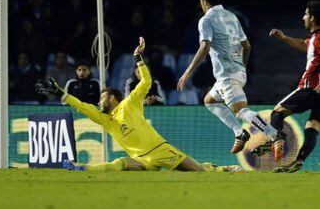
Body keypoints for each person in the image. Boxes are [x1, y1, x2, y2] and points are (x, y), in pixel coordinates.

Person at [36, 37, 242, 172]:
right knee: (119, 164)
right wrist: (60, 93)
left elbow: (146, 82)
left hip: (159, 149)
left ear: (112, 98)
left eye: (102, 97)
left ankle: (223, 169)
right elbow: (81, 105)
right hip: (141, 159)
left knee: (198, 171)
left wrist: (138, 58)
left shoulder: (130, 104)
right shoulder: (105, 119)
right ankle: (82, 168)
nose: (99, 101)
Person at [177, 0, 281, 158]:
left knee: (241, 111)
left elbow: (204, 47)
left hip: (227, 75)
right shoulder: (232, 16)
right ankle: (240, 133)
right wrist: (242, 67)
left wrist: (186, 73)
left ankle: (274, 135)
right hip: (237, 72)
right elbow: (246, 46)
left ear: (203, 1)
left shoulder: (206, 19)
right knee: (210, 100)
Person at [253, 1, 320, 172]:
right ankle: (298, 161)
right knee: (313, 125)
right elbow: (304, 45)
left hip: (310, 87)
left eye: (306, 14)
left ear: (312, 18)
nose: (303, 17)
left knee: (277, 112)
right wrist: (284, 38)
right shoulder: (314, 38)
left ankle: (277, 139)